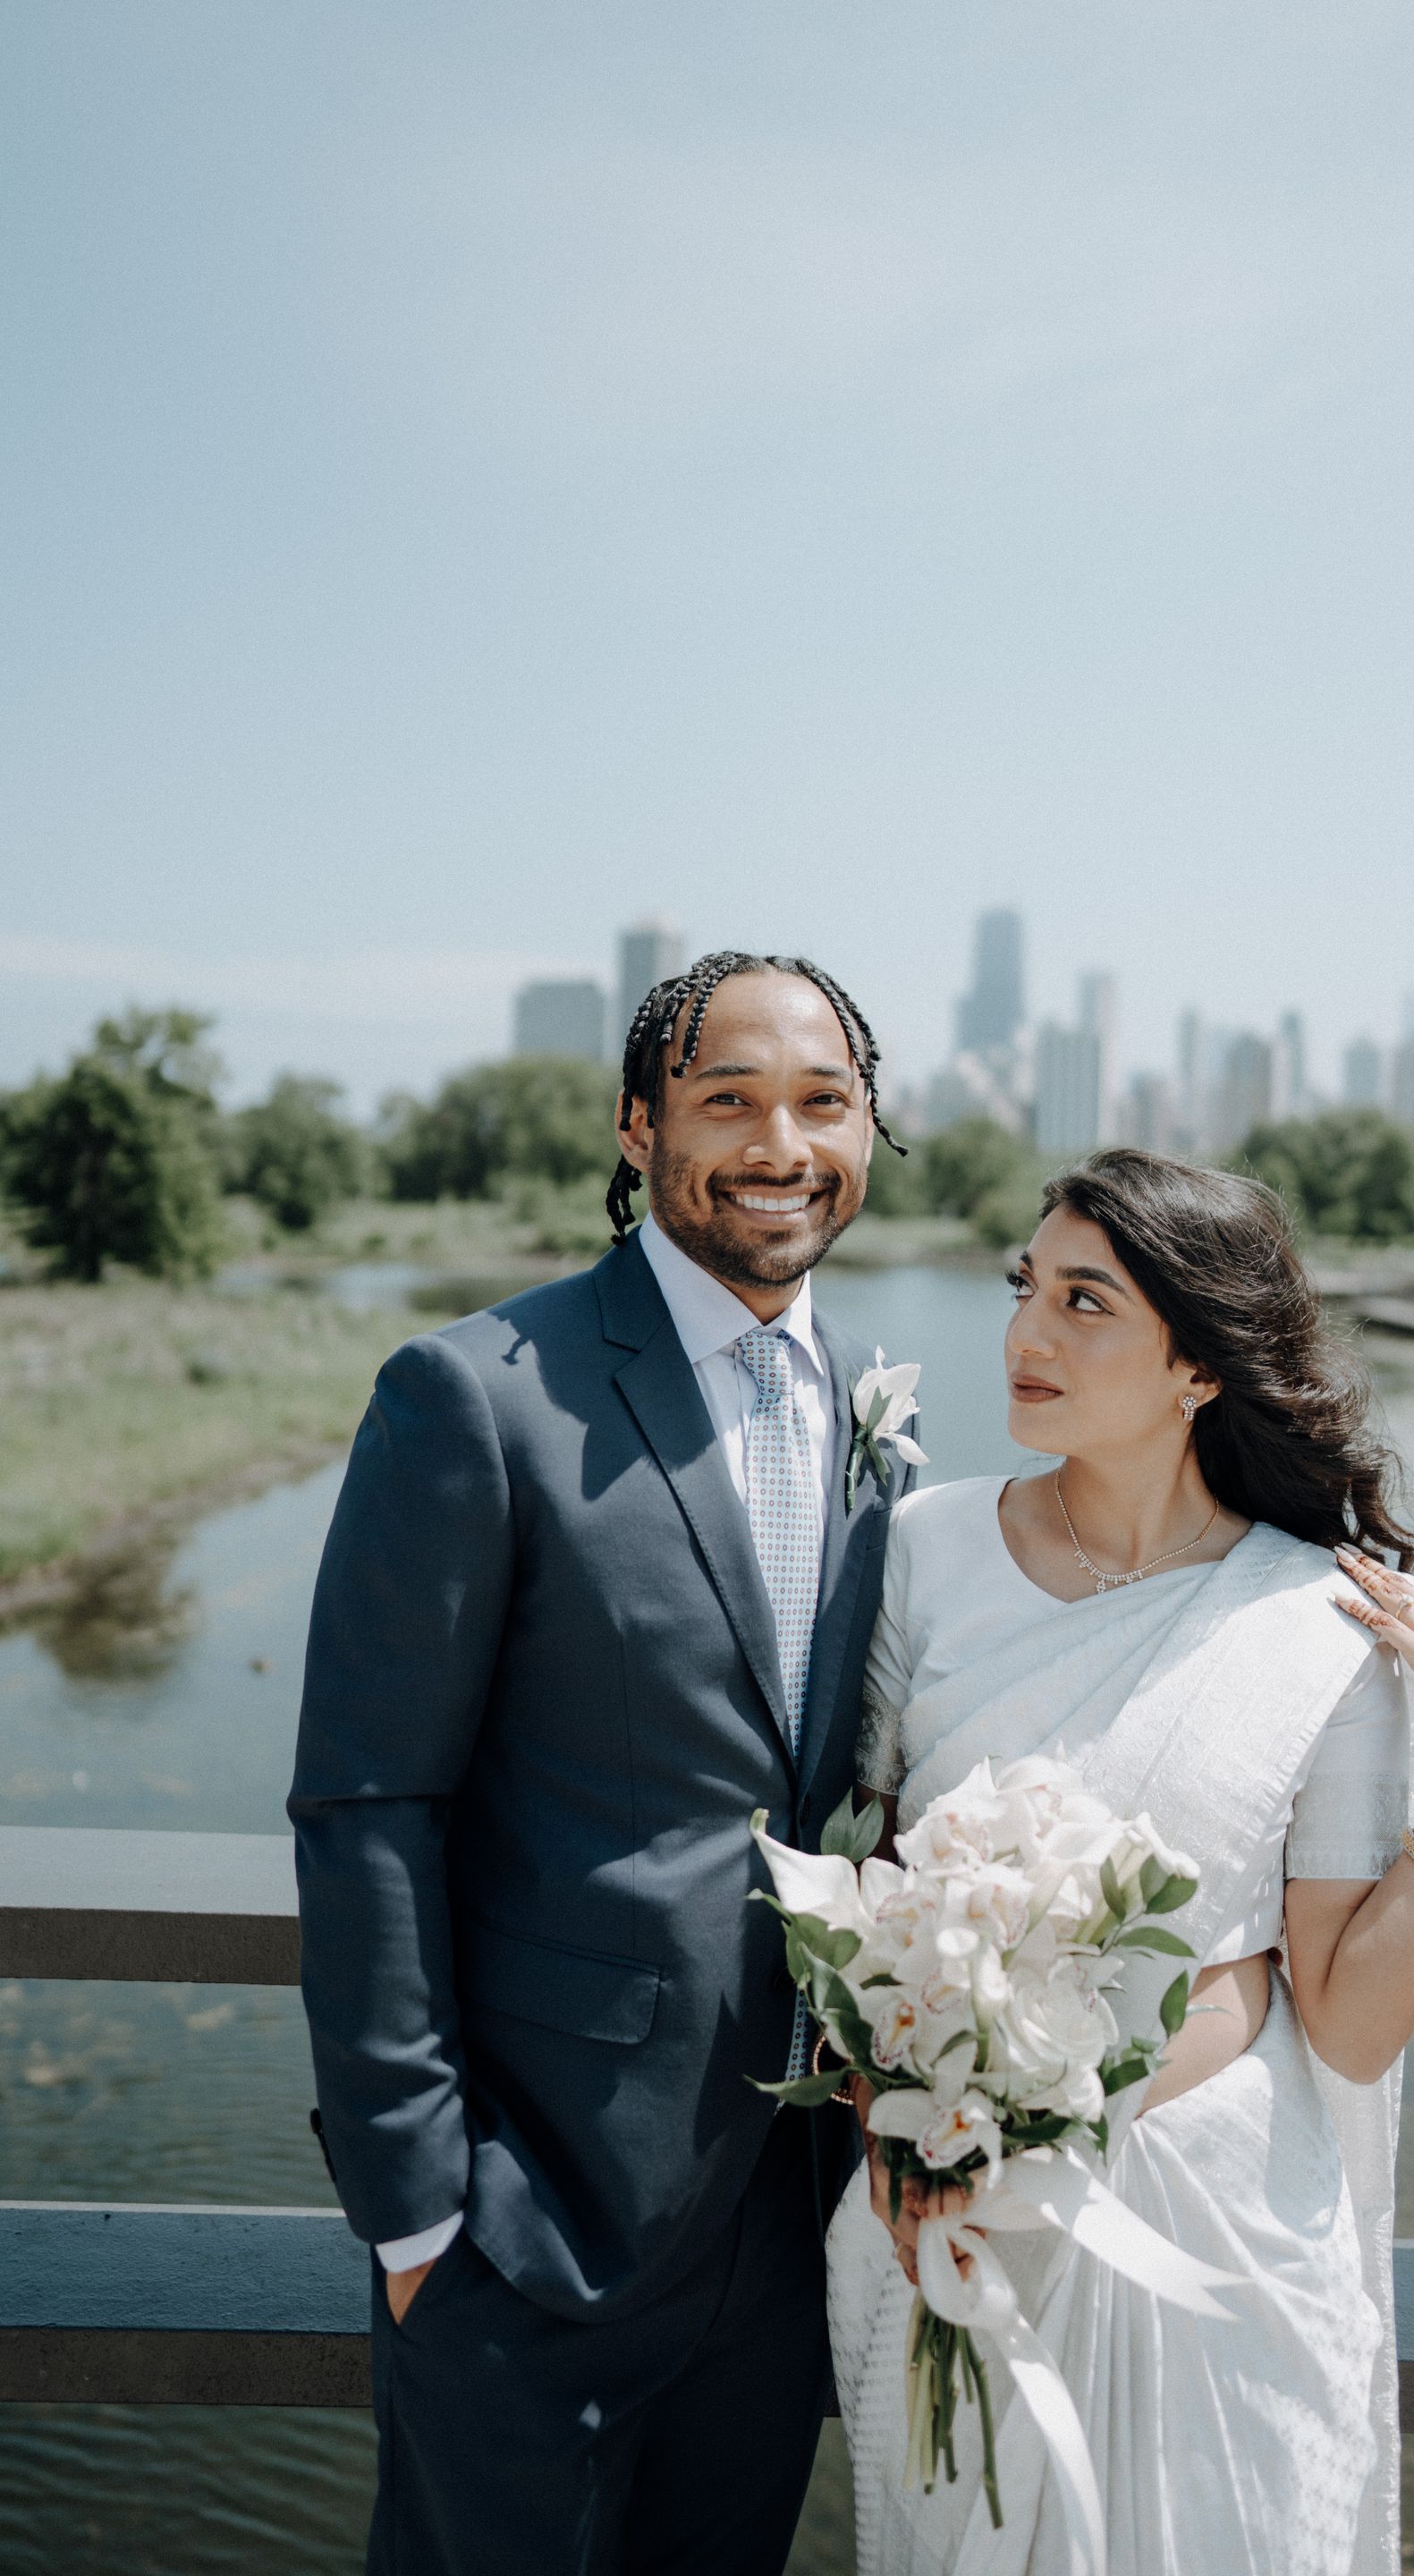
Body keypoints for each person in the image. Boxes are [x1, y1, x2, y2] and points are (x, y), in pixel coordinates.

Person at [288, 951, 919, 2576]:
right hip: (528, 2234)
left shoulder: (872, 1407)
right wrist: (422, 2215)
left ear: (870, 1130)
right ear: (639, 1128)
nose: (780, 1142)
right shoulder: (475, 1397)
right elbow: (369, 1811)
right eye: (729, 1099)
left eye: (821, 1101)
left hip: (780, 2235)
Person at [826, 1147, 1414, 2576]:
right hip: (956, 2212)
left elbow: (1346, 2016)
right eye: (1028, 1287)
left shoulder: (1321, 1622)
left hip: (1225, 2240)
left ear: (1199, 1365)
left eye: (1087, 1302)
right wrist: (894, 2119)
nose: (1024, 1336)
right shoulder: (920, 1552)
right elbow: (860, 1883)